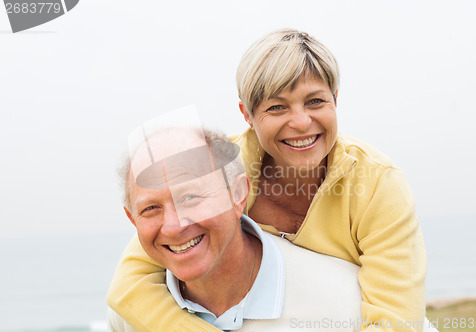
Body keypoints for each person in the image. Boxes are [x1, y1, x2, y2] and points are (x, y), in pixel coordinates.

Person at [107, 29, 428, 331]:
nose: (301, 122)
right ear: (246, 114)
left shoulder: (377, 185)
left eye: (315, 101)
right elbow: (130, 284)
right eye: (277, 107)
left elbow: (396, 321)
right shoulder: (217, 170)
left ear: (336, 98)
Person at [108, 127, 364, 331]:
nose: (174, 227)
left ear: (238, 194)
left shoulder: (344, 300)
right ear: (132, 219)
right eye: (151, 208)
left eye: (191, 198)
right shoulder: (127, 317)